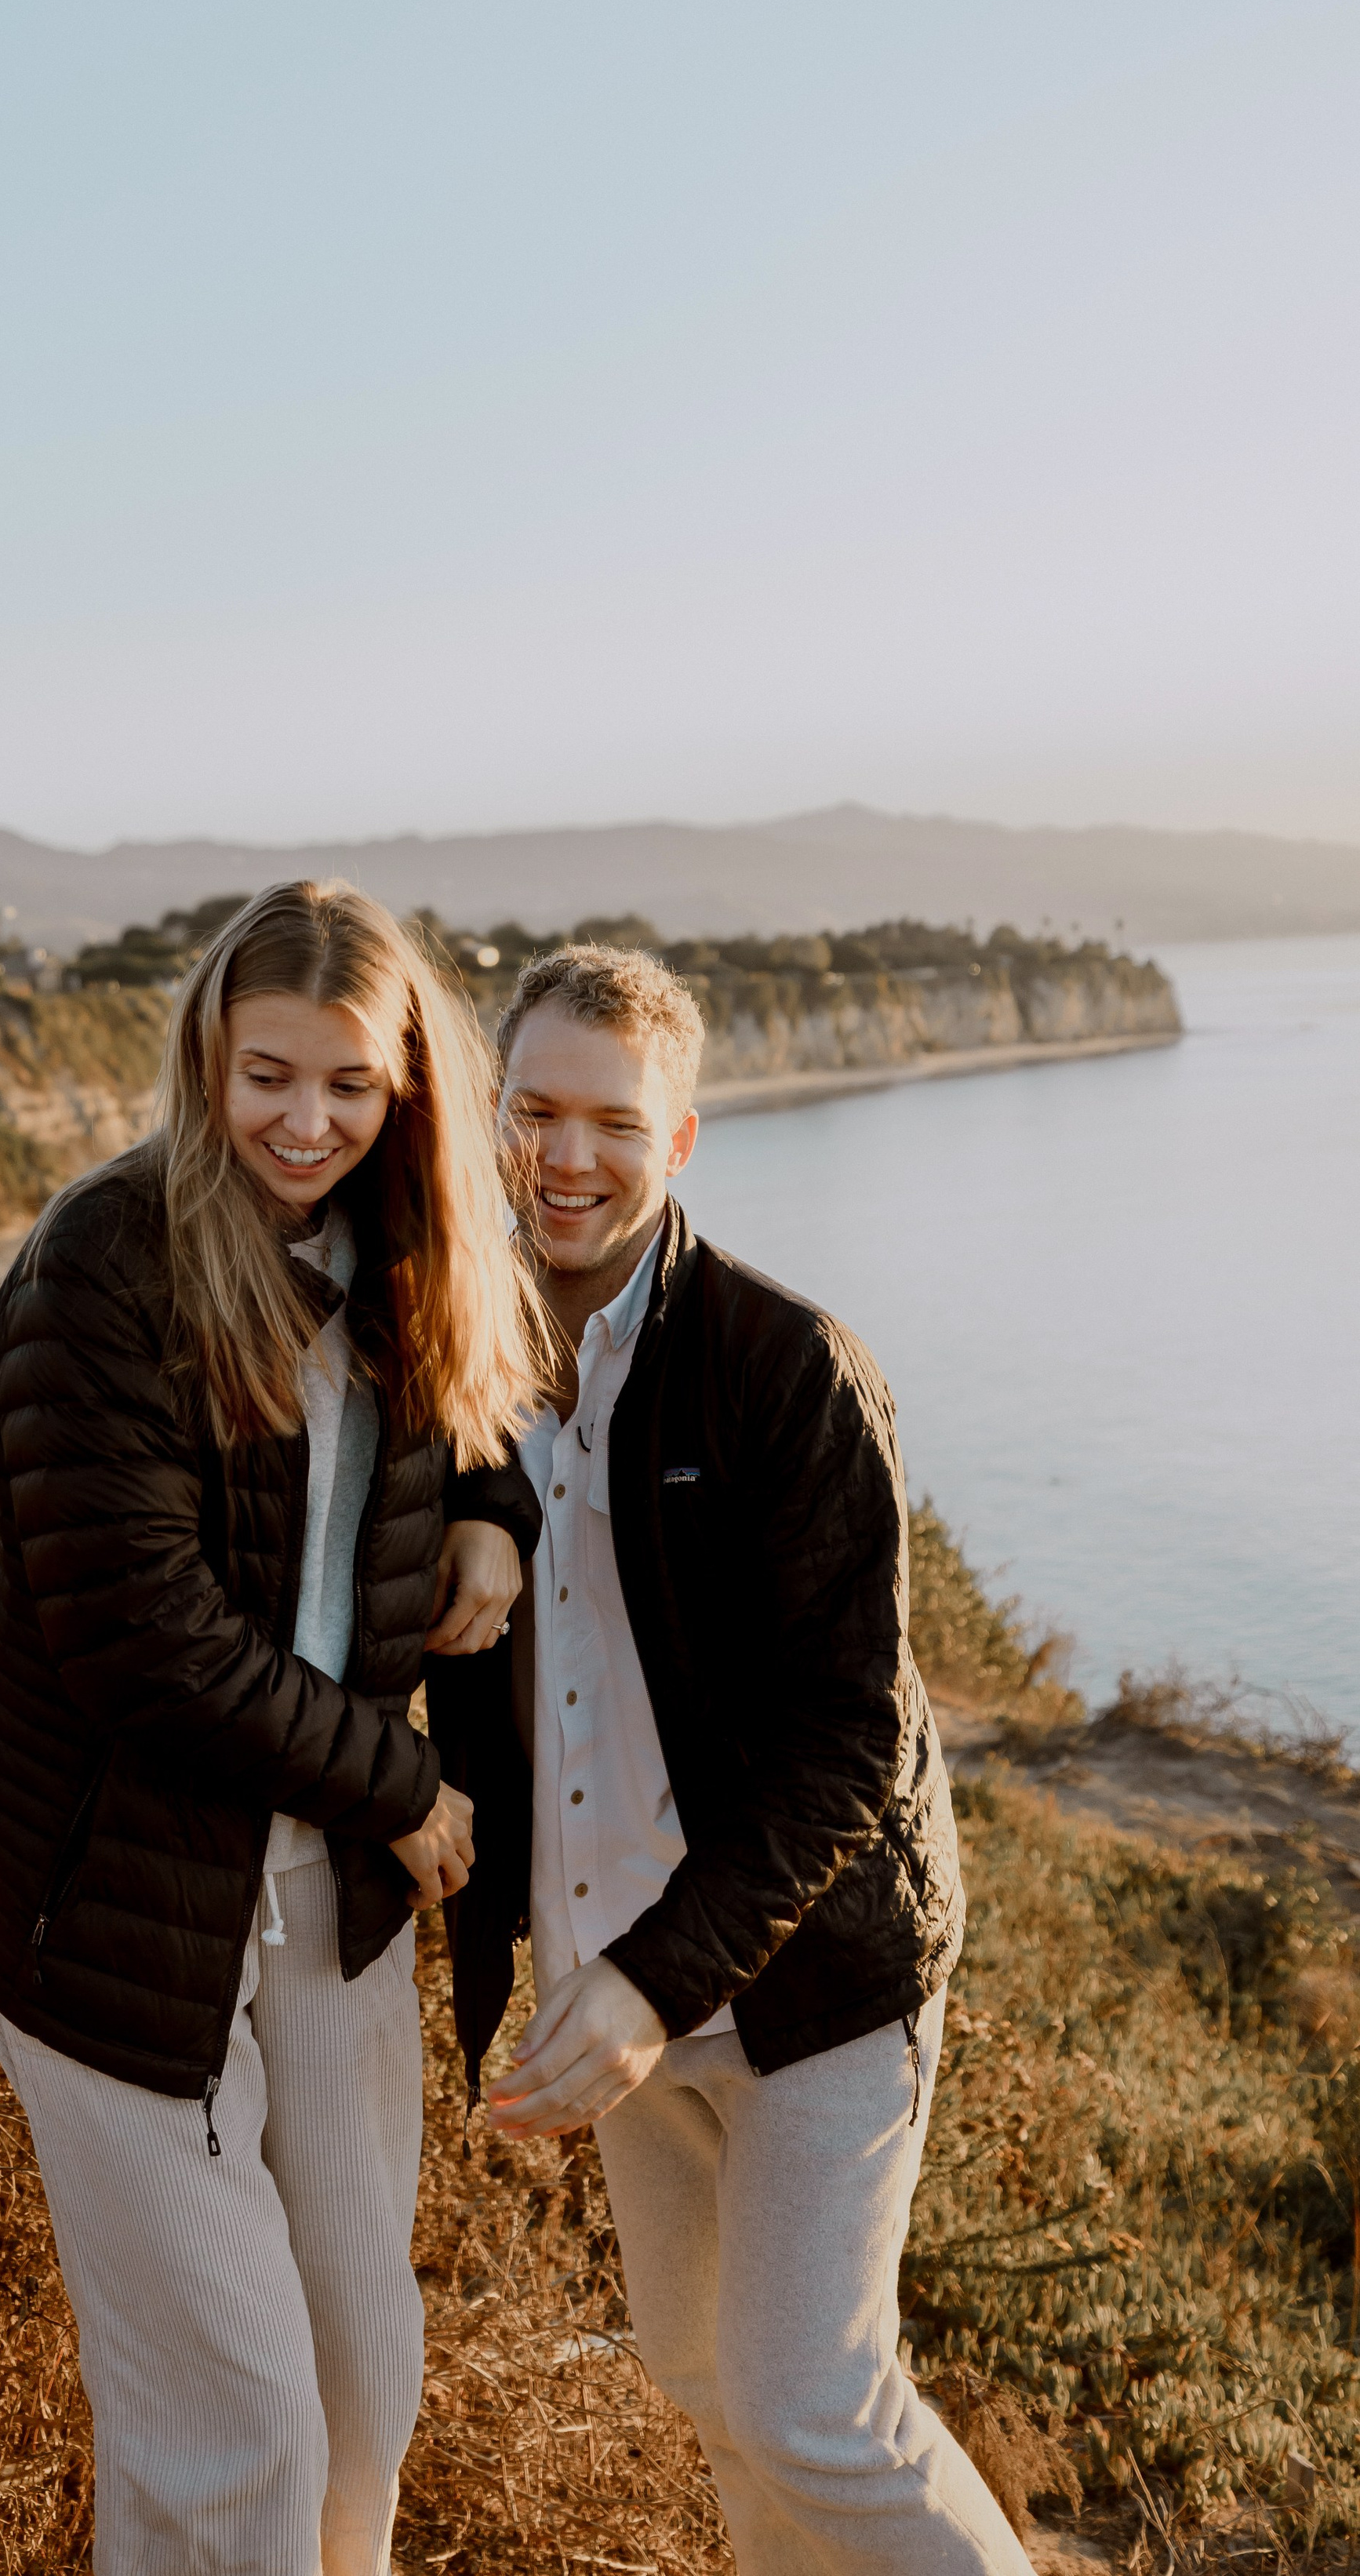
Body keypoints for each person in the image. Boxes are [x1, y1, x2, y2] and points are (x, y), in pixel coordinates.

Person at [0, 882, 546, 2576]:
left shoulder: (402, 1235)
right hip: (112, 1901)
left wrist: (492, 1511)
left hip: (326, 1887)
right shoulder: (100, 1264)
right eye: (268, 1075)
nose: (305, 1122)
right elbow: (144, 1636)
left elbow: (488, 1394)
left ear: (404, 1085)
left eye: (349, 1083)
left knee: (362, 2375)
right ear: (208, 1055)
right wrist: (404, 1782)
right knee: (234, 2424)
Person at [433, 941, 1034, 2576]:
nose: (567, 1156)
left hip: (809, 1973)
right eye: (536, 1111)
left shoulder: (789, 1366)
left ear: (679, 1138)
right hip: (606, 1964)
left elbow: (850, 1743)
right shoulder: (456, 1346)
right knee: (708, 2387)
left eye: (615, 1122)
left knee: (812, 2405)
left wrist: (650, 1982)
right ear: (491, 1115)